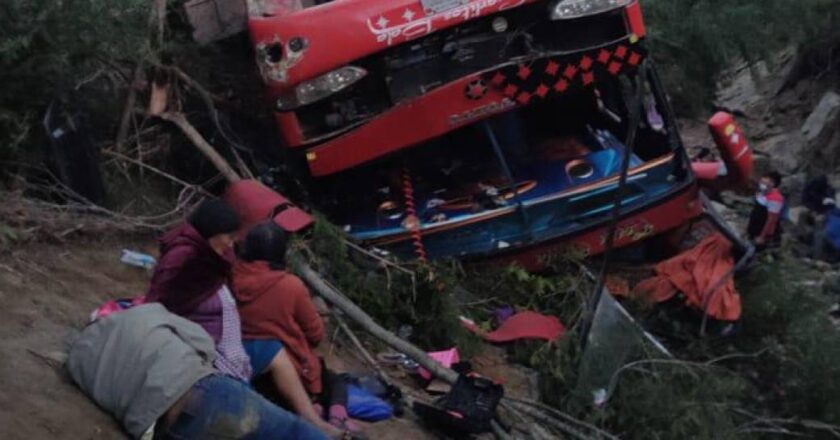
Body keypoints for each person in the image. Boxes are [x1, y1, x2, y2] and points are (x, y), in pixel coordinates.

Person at [146, 199, 344, 438]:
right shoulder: (190, 261)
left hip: (231, 349)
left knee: (272, 350)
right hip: (211, 361)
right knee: (302, 411)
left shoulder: (220, 263)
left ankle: (312, 418)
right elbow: (315, 334)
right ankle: (324, 420)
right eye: (228, 237)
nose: (232, 243)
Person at [67, 303, 328, 440]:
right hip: (201, 393)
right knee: (295, 432)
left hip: (161, 428)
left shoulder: (78, 361)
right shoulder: (144, 314)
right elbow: (204, 344)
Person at [233, 221, 358, 433]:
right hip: (289, 367)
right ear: (281, 252)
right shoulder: (290, 285)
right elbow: (315, 334)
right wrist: (320, 319)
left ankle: (315, 409)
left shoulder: (232, 276)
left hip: (249, 366)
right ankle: (334, 418)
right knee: (334, 381)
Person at [747, 171, 785, 247]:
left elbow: (771, 220)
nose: (762, 181)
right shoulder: (761, 192)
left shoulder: (776, 198)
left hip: (762, 233)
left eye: (766, 179)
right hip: (754, 228)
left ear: (772, 183)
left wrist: (762, 237)